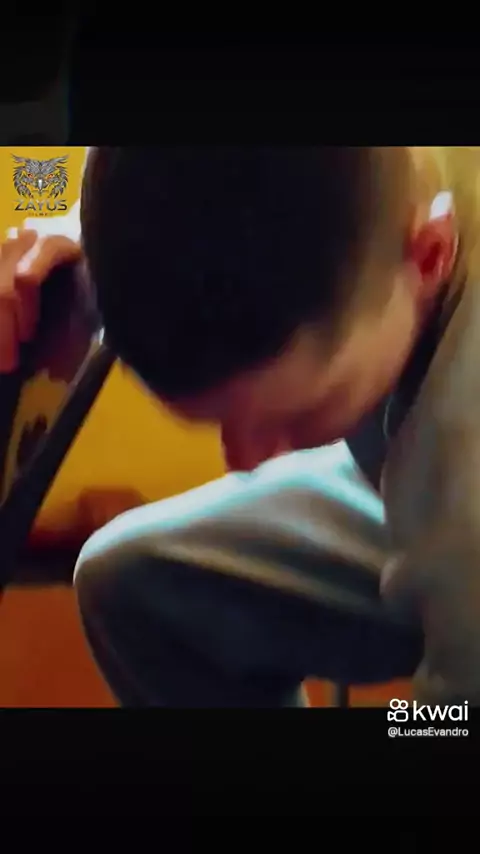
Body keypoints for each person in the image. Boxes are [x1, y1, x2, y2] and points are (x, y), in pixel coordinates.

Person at [7, 147, 480, 706]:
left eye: (298, 415)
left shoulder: (463, 495)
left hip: (455, 522)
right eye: (218, 422)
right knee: (131, 585)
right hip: (391, 478)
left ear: (428, 258)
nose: (243, 463)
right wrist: (90, 243)